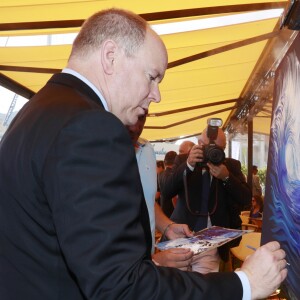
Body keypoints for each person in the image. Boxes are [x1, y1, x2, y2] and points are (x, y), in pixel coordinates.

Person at [0, 8, 287, 300]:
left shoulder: (35, 114)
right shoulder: (90, 126)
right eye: (152, 77)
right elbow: (122, 286)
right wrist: (244, 283)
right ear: (111, 57)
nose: (156, 95)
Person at [161, 126, 252, 273]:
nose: (213, 152)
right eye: (208, 147)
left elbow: (246, 197)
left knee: (204, 289)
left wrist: (226, 177)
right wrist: (189, 165)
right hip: (181, 238)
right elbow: (166, 190)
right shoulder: (184, 160)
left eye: (219, 148)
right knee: (177, 287)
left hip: (212, 244)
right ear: (198, 143)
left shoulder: (231, 166)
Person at [127, 114, 193, 270]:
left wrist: (167, 227)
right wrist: (155, 261)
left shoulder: (147, 149)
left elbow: (146, 200)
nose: (137, 126)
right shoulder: (98, 153)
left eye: (142, 117)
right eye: (133, 114)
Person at [158, 150, 177, 217]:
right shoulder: (174, 175)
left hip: (163, 209)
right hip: (172, 212)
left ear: (164, 162)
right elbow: (174, 198)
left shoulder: (160, 174)